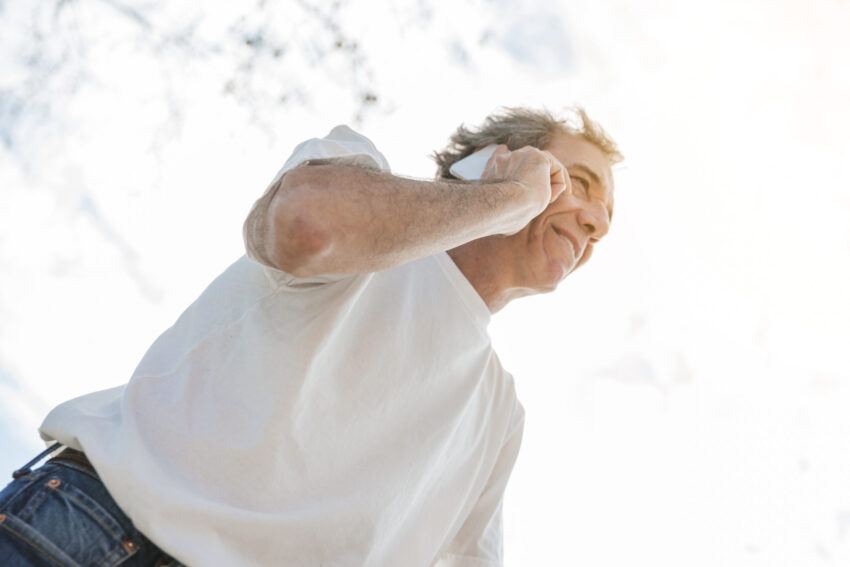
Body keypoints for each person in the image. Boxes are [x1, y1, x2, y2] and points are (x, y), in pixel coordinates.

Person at [0, 106, 622, 566]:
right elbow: (306, 225)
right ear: (497, 159)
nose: (594, 225)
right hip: (93, 537)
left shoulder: (499, 418)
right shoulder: (360, 184)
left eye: (605, 224)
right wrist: (508, 195)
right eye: (580, 185)